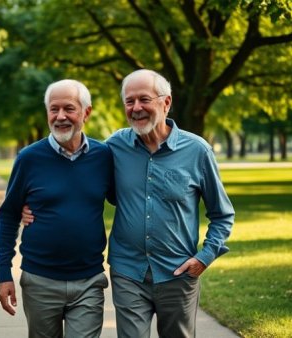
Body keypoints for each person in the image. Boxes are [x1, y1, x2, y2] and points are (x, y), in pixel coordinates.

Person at [22, 69, 235, 338]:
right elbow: (80, 178)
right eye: (129, 102)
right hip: (128, 271)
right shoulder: (114, 147)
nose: (136, 108)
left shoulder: (197, 151)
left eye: (144, 100)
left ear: (166, 102)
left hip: (178, 272)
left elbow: (222, 214)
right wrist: (30, 203)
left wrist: (204, 257)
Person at [0, 79, 115, 338]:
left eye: (69, 109)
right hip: (40, 280)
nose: (60, 116)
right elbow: (8, 215)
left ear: (86, 112)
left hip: (89, 280)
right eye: (53, 109)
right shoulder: (28, 158)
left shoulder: (104, 156)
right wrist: (3, 273)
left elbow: (125, 200)